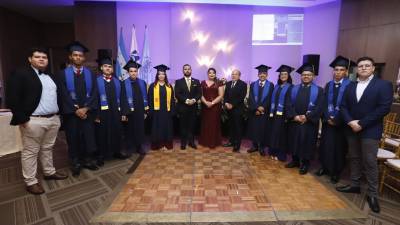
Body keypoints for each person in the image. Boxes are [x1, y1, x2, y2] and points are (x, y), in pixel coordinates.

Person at [6, 47, 68, 195]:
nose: (41, 59)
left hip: (53, 119)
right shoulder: (20, 74)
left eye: (44, 57)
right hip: (33, 121)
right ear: (30, 59)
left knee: (48, 148)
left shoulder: (51, 76)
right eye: (37, 57)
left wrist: (59, 117)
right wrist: (23, 119)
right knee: (30, 152)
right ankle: (31, 182)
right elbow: (12, 98)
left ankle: (49, 172)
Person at [336, 57, 393, 213]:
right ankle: (355, 185)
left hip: (370, 130)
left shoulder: (384, 85)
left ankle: (373, 194)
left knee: (369, 162)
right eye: (360, 66)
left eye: (367, 65)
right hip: (352, 128)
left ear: (373, 68)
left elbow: (384, 108)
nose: (363, 68)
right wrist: (350, 122)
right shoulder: (350, 86)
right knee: (354, 157)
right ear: (357, 69)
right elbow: (343, 106)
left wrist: (361, 123)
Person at [58, 41, 99, 176]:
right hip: (71, 114)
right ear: (70, 57)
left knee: (88, 137)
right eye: (75, 55)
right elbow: (62, 94)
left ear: (84, 58)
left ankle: (87, 160)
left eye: (80, 55)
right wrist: (75, 110)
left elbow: (94, 93)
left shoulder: (91, 74)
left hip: (87, 113)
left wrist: (86, 108)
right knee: (73, 137)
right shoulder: (63, 74)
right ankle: (75, 162)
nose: (78, 58)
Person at [316, 56, 355, 184]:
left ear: (346, 72)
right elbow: (324, 103)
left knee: (339, 148)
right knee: (325, 146)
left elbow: (350, 106)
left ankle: (336, 172)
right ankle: (325, 168)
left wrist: (337, 119)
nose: (337, 72)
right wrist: (327, 118)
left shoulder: (351, 86)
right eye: (336, 70)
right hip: (328, 123)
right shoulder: (328, 85)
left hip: (342, 124)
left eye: (341, 70)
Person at [285, 63, 324, 175]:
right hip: (295, 121)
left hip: (309, 122)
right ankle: (295, 161)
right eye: (304, 74)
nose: (306, 76)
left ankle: (305, 163)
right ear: (301, 76)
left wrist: (307, 117)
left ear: (313, 76)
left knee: (307, 143)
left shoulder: (319, 90)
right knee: (294, 141)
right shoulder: (293, 89)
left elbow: (319, 107)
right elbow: (288, 104)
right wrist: (295, 116)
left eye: (308, 74)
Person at [94, 56, 128, 166]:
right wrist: (96, 115)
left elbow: (123, 98)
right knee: (102, 134)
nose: (108, 68)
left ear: (112, 69)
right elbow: (94, 99)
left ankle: (116, 151)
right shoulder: (96, 82)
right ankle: (101, 155)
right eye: (105, 66)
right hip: (102, 113)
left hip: (116, 112)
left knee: (117, 132)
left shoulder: (118, 82)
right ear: (101, 68)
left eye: (110, 66)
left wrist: (123, 113)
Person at [121, 59, 148, 155]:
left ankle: (139, 147)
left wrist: (145, 111)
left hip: (140, 110)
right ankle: (129, 148)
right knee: (129, 130)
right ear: (128, 72)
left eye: (135, 71)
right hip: (129, 111)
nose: (133, 73)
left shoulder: (142, 83)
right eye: (131, 71)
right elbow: (122, 98)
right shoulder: (124, 83)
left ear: (137, 72)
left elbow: (145, 97)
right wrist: (124, 113)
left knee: (140, 129)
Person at [267, 65, 294, 161]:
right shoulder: (276, 86)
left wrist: (288, 115)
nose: (283, 75)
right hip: (274, 114)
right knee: (274, 133)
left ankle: (281, 154)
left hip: (284, 116)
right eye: (281, 74)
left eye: (285, 74)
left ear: (288, 75)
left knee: (282, 135)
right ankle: (273, 152)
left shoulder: (291, 87)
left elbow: (291, 102)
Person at [247, 65, 274, 155]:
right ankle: (254, 146)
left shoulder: (270, 85)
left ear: (267, 75)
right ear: (258, 75)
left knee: (263, 129)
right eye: (261, 73)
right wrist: (256, 108)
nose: (262, 75)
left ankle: (261, 147)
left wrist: (262, 108)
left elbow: (270, 98)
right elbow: (250, 98)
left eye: (264, 73)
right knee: (254, 128)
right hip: (254, 111)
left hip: (264, 111)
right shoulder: (253, 84)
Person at [174, 64, 201, 150]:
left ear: (191, 70)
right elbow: (177, 94)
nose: (187, 70)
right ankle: (183, 143)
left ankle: (191, 142)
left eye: (189, 69)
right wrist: (186, 101)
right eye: (185, 69)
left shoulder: (196, 81)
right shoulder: (178, 82)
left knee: (192, 126)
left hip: (193, 107)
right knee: (183, 126)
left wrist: (193, 100)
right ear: (183, 71)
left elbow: (199, 94)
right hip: (183, 107)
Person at [148, 64, 175, 150]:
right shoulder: (153, 86)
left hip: (167, 111)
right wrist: (151, 110)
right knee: (157, 128)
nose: (161, 76)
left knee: (166, 128)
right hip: (157, 112)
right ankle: (158, 145)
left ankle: (166, 144)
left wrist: (172, 110)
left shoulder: (169, 86)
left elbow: (172, 100)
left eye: (163, 74)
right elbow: (150, 99)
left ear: (165, 75)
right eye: (159, 74)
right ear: (157, 75)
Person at [222, 69, 247, 152]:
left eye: (235, 74)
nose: (233, 75)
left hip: (238, 110)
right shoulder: (228, 84)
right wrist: (226, 103)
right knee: (231, 127)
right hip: (229, 109)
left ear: (239, 76)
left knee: (238, 128)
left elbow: (241, 97)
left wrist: (232, 105)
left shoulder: (243, 84)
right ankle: (231, 142)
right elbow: (225, 95)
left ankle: (237, 145)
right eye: (232, 74)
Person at [198, 68, 224, 148]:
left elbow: (221, 95)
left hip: (215, 107)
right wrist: (206, 102)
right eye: (210, 73)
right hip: (205, 106)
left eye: (213, 73)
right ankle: (205, 141)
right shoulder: (202, 83)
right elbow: (200, 94)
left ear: (215, 74)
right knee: (205, 124)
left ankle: (213, 142)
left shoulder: (219, 83)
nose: (211, 74)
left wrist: (212, 103)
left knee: (213, 124)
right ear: (207, 74)